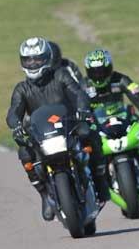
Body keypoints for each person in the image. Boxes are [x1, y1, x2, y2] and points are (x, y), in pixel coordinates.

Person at [6, 37, 110, 221]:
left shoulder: (61, 75)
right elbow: (13, 112)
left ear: (47, 58)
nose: (32, 63)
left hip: (68, 125)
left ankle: (101, 183)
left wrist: (84, 111)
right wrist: (16, 126)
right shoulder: (21, 88)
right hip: (41, 133)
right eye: (28, 60)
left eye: (37, 59)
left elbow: (78, 93)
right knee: (24, 152)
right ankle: (44, 194)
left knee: (90, 133)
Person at [83, 49, 139, 172]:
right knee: (84, 140)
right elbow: (77, 104)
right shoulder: (83, 85)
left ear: (110, 68)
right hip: (97, 122)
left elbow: (137, 95)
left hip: (121, 115)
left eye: (102, 71)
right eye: (94, 72)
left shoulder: (121, 79)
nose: (99, 75)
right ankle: (92, 168)